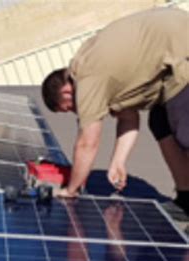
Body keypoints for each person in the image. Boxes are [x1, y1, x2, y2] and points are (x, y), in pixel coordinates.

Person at [41, 8, 189, 217]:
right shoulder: (92, 67)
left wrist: (70, 190)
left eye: (69, 107)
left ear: (66, 91)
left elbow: (87, 143)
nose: (76, 112)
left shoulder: (87, 76)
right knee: (159, 120)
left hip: (181, 50)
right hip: (173, 40)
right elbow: (129, 118)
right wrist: (118, 161)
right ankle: (186, 199)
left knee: (185, 128)